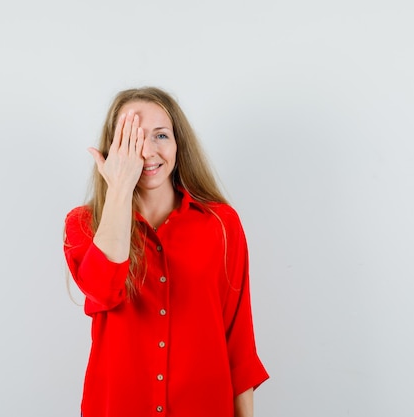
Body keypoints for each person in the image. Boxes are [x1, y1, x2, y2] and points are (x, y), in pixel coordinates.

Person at [63, 87, 269, 417]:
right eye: (131, 139)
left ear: (178, 144)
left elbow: (238, 342)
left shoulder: (221, 223)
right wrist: (118, 188)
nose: (146, 151)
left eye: (161, 135)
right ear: (113, 149)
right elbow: (103, 289)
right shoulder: (83, 225)